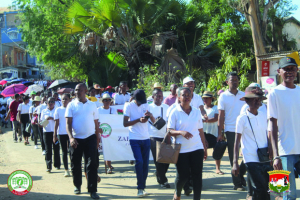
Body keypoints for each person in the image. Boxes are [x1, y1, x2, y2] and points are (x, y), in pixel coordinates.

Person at [268, 57, 300, 200]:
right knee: (286, 194)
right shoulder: (274, 93)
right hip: (284, 151)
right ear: (279, 71)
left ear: (297, 71)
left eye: (292, 68)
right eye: (286, 69)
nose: (289, 72)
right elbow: (272, 126)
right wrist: (275, 155)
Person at [233, 87, 273, 200]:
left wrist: (273, 152)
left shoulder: (263, 115)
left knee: (267, 188)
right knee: (259, 187)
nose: (257, 102)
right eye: (254, 99)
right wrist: (235, 163)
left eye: (259, 99)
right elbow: (236, 142)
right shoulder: (241, 119)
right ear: (247, 101)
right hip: (250, 158)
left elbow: (269, 134)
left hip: (265, 156)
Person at [168, 87, 207, 200]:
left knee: (197, 177)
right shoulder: (174, 112)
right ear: (178, 97)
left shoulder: (196, 111)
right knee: (183, 176)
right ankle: (178, 193)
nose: (186, 97)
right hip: (182, 150)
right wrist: (181, 132)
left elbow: (200, 131)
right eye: (184, 95)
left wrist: (204, 148)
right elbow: (169, 131)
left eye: (188, 95)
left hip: (197, 148)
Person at [66, 83, 101, 199]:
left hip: (90, 138)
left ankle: (92, 190)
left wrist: (97, 138)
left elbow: (96, 123)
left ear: (85, 91)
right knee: (75, 164)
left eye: (79, 90)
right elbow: (68, 123)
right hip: (76, 139)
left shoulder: (92, 105)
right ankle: (77, 185)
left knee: (91, 164)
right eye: (76, 90)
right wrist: (71, 138)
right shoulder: (71, 105)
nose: (77, 92)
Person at [217, 72, 246, 191]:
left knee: (249, 154)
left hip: (245, 130)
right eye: (232, 80)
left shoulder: (244, 95)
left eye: (236, 80)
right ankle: (237, 183)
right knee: (233, 157)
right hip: (231, 130)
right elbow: (221, 116)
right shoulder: (223, 96)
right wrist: (220, 133)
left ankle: (241, 173)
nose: (234, 82)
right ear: (227, 82)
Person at [123, 89, 154, 197]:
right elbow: (125, 123)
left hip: (146, 138)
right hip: (134, 138)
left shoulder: (146, 105)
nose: (141, 103)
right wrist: (138, 120)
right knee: (139, 162)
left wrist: (148, 116)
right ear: (135, 99)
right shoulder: (128, 106)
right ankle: (139, 188)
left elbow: (153, 121)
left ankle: (143, 187)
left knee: (145, 164)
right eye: (139, 101)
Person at [148, 89, 170, 188]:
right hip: (153, 136)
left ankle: (159, 173)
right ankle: (163, 181)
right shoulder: (148, 107)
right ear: (153, 97)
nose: (159, 98)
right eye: (157, 96)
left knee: (167, 159)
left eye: (161, 96)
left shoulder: (166, 107)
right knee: (159, 160)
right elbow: (153, 123)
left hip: (165, 136)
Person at [202, 91, 223, 175]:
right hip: (203, 132)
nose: (205, 100)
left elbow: (216, 118)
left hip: (213, 132)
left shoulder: (215, 108)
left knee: (216, 150)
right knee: (201, 151)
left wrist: (205, 120)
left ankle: (218, 168)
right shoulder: (201, 109)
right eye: (204, 98)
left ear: (211, 99)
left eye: (207, 98)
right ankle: (199, 168)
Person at [98, 93, 117, 174]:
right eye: (105, 100)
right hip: (99, 132)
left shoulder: (113, 110)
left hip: (109, 132)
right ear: (102, 101)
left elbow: (115, 121)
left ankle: (109, 166)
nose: (107, 101)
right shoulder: (98, 110)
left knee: (108, 149)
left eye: (109, 100)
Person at [40, 97, 61, 172]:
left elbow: (60, 122)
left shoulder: (57, 110)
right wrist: (47, 120)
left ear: (54, 103)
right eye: (49, 102)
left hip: (56, 132)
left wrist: (54, 119)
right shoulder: (44, 111)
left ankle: (57, 164)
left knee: (56, 148)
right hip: (47, 132)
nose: (51, 103)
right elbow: (41, 124)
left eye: (52, 101)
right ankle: (48, 166)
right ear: (47, 103)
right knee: (48, 149)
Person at [54, 93, 71, 177]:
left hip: (71, 133)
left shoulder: (72, 109)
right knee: (64, 151)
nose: (64, 101)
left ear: (69, 100)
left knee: (72, 151)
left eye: (66, 99)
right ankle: (66, 169)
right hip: (61, 133)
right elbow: (56, 123)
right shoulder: (58, 110)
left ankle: (73, 166)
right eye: (63, 99)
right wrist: (54, 135)